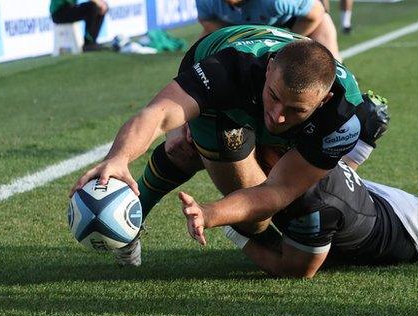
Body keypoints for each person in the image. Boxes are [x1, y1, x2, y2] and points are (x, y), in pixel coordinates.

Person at [70, 25, 388, 266]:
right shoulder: (229, 70)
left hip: (281, 102)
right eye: (275, 97)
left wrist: (212, 213)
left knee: (268, 188)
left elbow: (277, 191)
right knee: (188, 152)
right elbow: (158, 114)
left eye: (295, 109)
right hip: (215, 65)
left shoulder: (343, 116)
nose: (277, 116)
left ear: (325, 100)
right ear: (270, 68)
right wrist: (117, 158)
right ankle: (132, 224)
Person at [180, 76, 418, 278]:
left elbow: (297, 269)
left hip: (416, 231)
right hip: (357, 200)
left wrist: (236, 230)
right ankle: (361, 142)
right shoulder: (303, 153)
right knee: (325, 190)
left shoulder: (313, 207)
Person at [195, 0, 341, 60]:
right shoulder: (206, 1)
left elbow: (316, 13)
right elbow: (206, 20)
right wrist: (235, 39)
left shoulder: (278, 1)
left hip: (296, 22)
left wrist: (286, 42)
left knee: (330, 64)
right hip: (240, 27)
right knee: (196, 58)